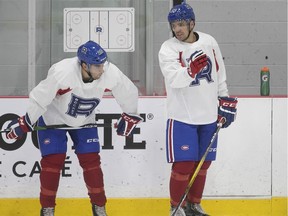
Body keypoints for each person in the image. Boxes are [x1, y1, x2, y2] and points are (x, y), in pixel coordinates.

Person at [5, 40, 143, 216]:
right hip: (53, 119)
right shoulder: (62, 72)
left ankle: (99, 208)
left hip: (84, 120)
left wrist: (130, 114)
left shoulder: (109, 71)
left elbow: (128, 90)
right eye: (97, 66)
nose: (102, 69)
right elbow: (40, 98)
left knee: (91, 162)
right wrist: (26, 122)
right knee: (52, 163)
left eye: (103, 64)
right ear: (84, 65)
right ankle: (47, 209)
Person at [158, 2, 238, 216]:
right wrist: (190, 71)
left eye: (182, 24)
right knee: (183, 165)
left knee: (203, 164)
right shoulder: (168, 48)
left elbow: (219, 73)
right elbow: (174, 79)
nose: (178, 29)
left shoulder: (209, 42)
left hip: (209, 115)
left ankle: (194, 205)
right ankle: (176, 208)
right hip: (182, 116)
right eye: (174, 25)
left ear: (192, 23)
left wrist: (225, 100)